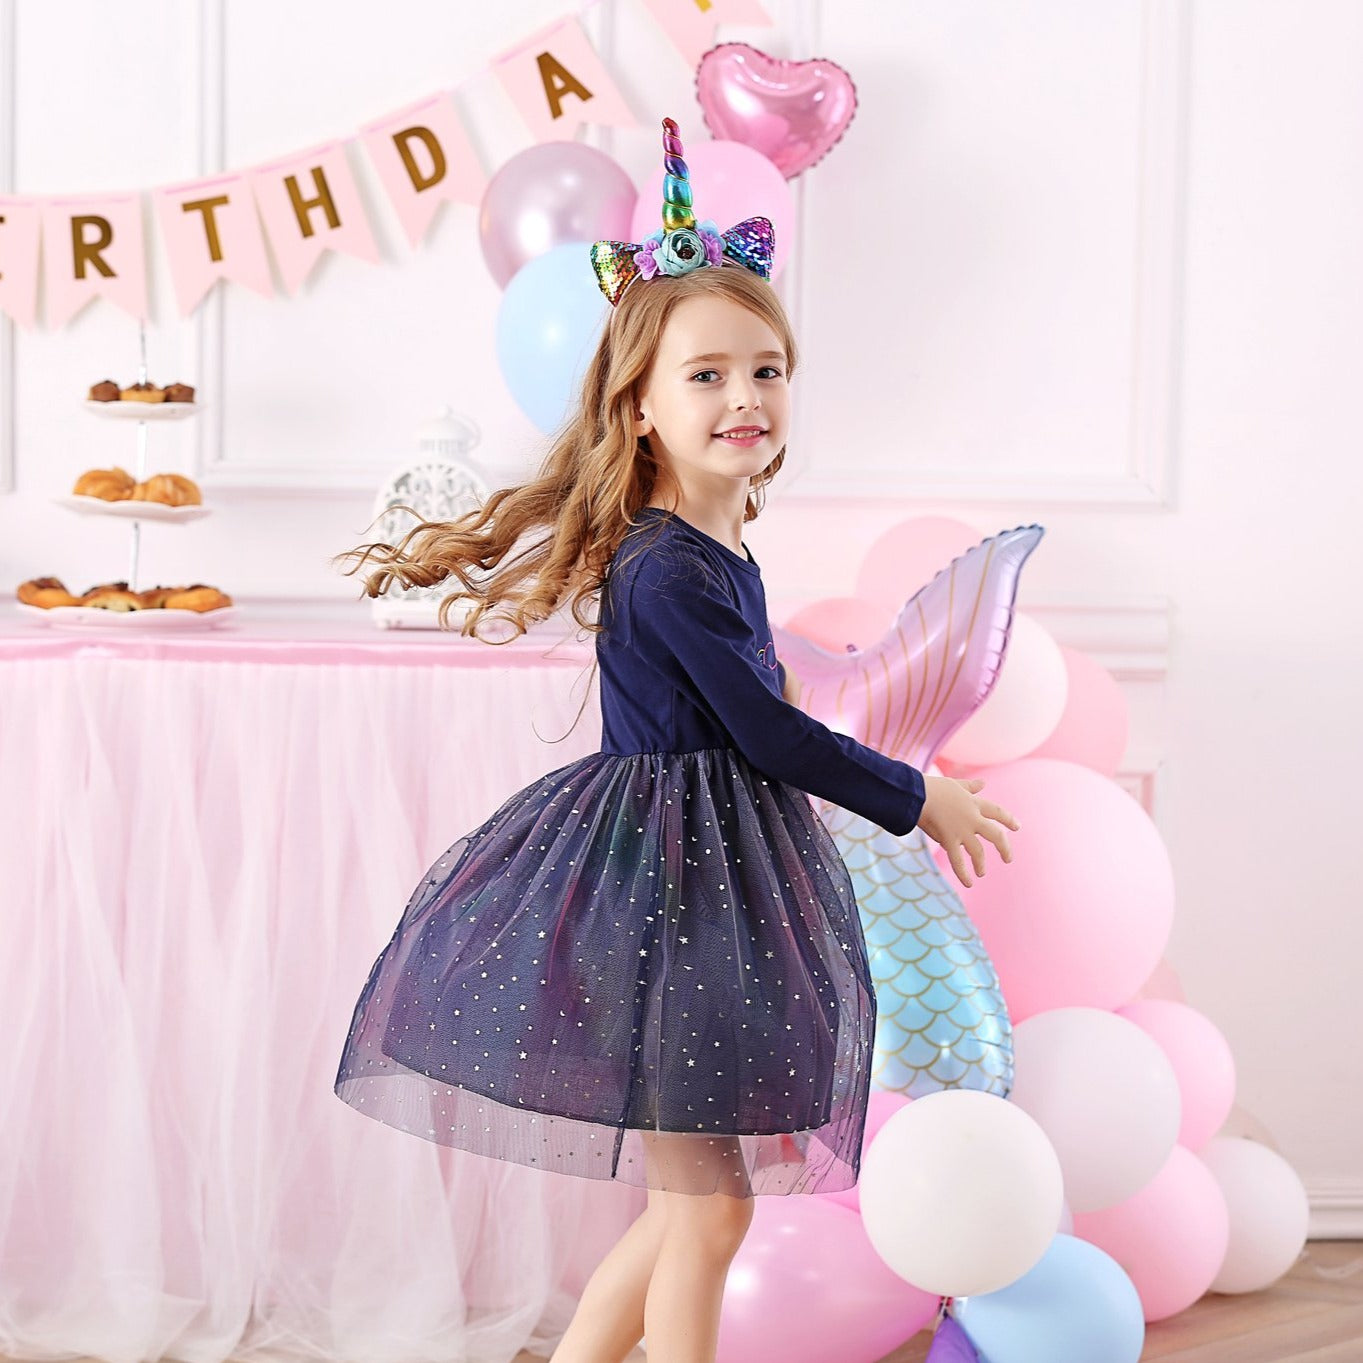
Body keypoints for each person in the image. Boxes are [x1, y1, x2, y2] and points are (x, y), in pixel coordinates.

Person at [332, 117, 1019, 1363]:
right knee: (707, 1213)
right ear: (639, 407)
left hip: (704, 896)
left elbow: (744, 712)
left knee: (687, 1209)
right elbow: (768, 733)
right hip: (660, 903)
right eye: (705, 375)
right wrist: (918, 795)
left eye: (765, 369)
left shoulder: (715, 548)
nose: (743, 397)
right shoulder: (667, 569)